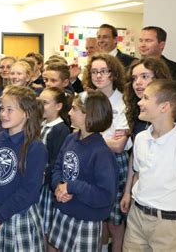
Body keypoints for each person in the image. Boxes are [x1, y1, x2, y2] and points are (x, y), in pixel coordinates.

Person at [0, 85, 47, 251]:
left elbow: (29, 191)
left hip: (18, 216)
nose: (3, 114)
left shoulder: (35, 147)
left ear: (27, 113)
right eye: (2, 108)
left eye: (10, 110)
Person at [48, 90, 119, 252]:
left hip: (86, 220)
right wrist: (59, 185)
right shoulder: (70, 139)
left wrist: (71, 186)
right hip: (64, 213)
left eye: (74, 109)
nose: (69, 112)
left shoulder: (102, 153)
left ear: (89, 115)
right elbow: (58, 167)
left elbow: (105, 196)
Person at [123, 80, 176, 251]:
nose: (139, 101)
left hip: (169, 225)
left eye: (146, 98)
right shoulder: (141, 138)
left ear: (164, 107)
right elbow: (139, 173)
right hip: (137, 217)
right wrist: (130, 194)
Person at [83, 53, 130, 251]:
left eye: (103, 71)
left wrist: (92, 136)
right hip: (88, 160)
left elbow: (119, 146)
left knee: (115, 222)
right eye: (94, 72)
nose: (98, 76)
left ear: (113, 73)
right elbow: (78, 133)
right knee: (96, 216)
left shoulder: (124, 101)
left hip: (115, 163)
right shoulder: (84, 98)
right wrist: (105, 138)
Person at [119, 57, 176, 217]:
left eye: (144, 76)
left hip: (166, 205)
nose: (137, 82)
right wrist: (127, 191)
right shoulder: (139, 115)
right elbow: (136, 157)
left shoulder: (175, 116)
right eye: (134, 78)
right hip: (141, 198)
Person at [38, 87, 71, 251]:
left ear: (58, 106)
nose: (40, 106)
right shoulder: (42, 123)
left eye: (44, 103)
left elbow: (56, 160)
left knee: (47, 228)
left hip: (47, 186)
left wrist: (42, 176)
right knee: (40, 227)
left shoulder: (61, 129)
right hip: (38, 184)